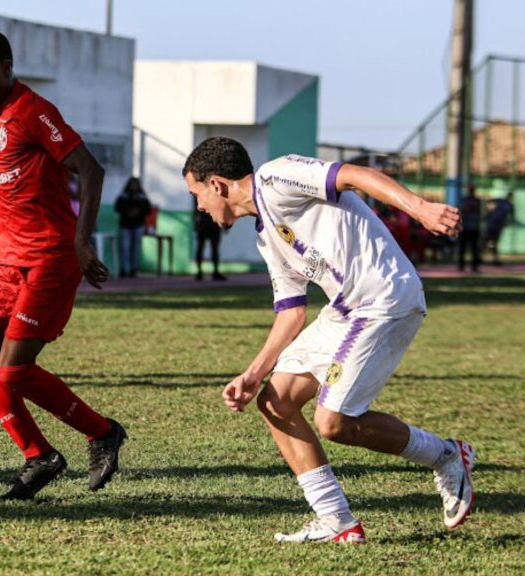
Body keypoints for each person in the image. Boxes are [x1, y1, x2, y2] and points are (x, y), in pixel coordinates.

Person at [183, 137, 474, 543]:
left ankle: (445, 455)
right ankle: (337, 520)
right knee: (275, 402)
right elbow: (291, 313)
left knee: (333, 422)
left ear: (216, 184)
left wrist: (420, 208)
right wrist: (252, 375)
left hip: (382, 299)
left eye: (195, 194)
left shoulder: (273, 177)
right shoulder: (266, 237)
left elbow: (355, 175)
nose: (198, 206)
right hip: (345, 310)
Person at [0, 29, 127, 500]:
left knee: (13, 369)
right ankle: (39, 456)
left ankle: (102, 431)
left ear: (6, 68)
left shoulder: (35, 112)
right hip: (4, 257)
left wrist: (82, 240)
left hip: (48, 256)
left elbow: (91, 170)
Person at [113, 177, 151, 278]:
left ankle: (133, 269)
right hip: (125, 225)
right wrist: (128, 211)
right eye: (132, 184)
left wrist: (138, 212)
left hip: (138, 225)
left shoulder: (142, 196)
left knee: (135, 248)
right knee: (125, 248)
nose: (133, 186)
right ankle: (124, 269)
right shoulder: (123, 196)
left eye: (135, 184)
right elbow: (117, 208)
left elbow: (148, 209)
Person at [193, 194, 226, 281]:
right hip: (206, 223)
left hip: (210, 223)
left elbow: (221, 206)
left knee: (211, 248)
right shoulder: (201, 192)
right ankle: (201, 272)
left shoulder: (202, 192)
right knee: (203, 248)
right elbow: (196, 208)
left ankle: (210, 272)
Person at [483, 194, 514, 265]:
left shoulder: (510, 205)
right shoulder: (500, 201)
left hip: (498, 226)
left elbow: (511, 216)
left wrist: (506, 222)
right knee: (488, 240)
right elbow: (489, 200)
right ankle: (485, 255)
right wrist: (488, 202)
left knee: (493, 242)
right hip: (491, 224)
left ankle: (494, 258)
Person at [457, 184, 481, 272]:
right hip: (465, 228)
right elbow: (463, 209)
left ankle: (475, 267)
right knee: (462, 248)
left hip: (474, 228)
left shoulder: (477, 200)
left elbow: (476, 210)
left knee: (474, 249)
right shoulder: (464, 200)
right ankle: (461, 266)